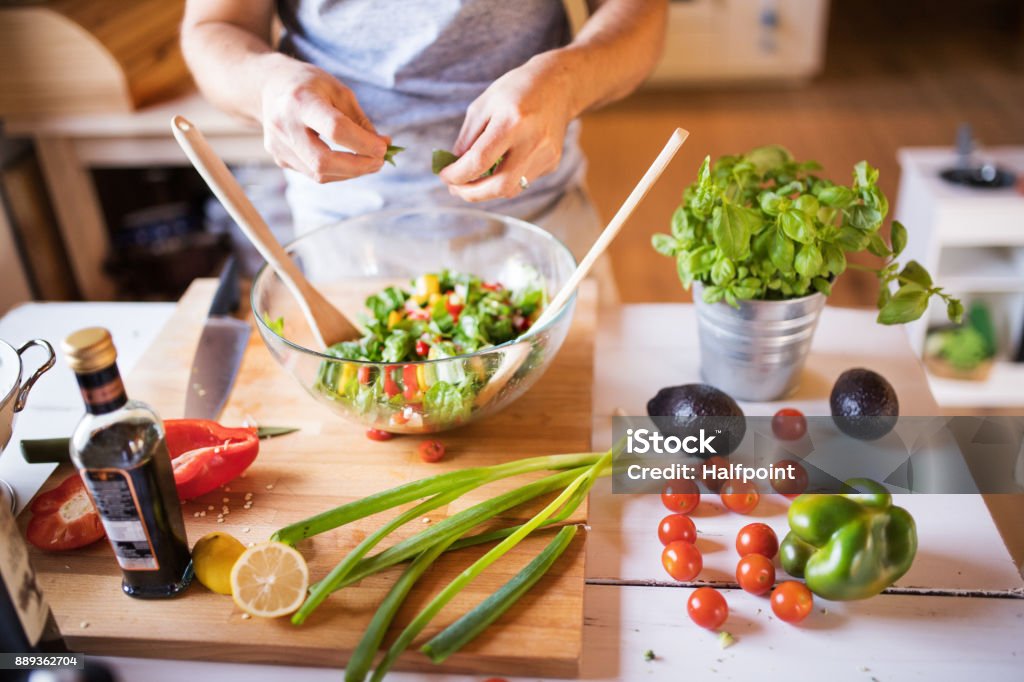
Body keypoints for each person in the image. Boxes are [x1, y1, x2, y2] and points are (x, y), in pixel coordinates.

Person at [181, 1, 667, 298]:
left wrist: (567, 80)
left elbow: (642, 12)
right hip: (346, 236)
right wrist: (269, 86)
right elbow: (212, 28)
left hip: (541, 221)